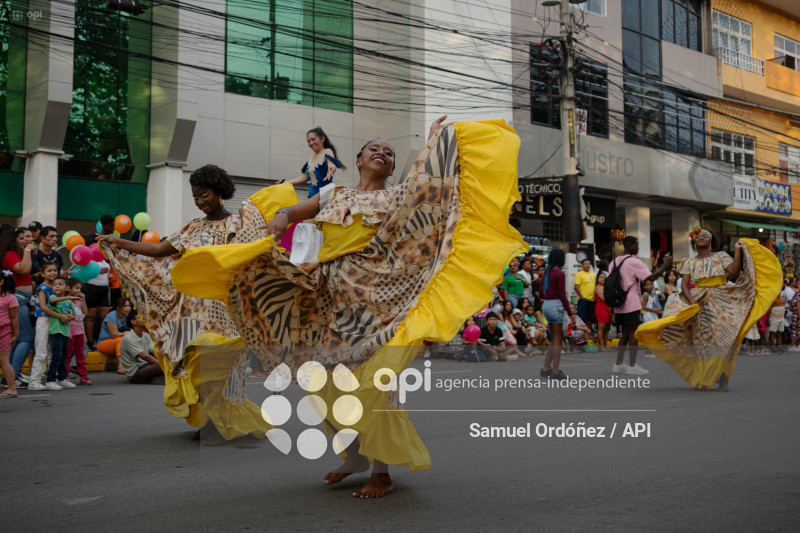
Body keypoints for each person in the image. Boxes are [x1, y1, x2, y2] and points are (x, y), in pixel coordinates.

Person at [170, 117, 528, 498]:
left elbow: (436, 189)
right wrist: (280, 217)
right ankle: (355, 456)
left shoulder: (399, 197)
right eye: (374, 148)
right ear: (358, 160)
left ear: (392, 167)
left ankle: (381, 472)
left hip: (379, 305)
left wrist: (437, 143)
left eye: (389, 153)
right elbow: (295, 211)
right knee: (321, 381)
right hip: (328, 303)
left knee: (376, 383)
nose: (382, 153)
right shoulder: (334, 194)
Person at [99, 164, 281, 445]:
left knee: (225, 367)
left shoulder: (237, 224)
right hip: (194, 310)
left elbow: (255, 254)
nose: (200, 202)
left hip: (228, 308)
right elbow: (160, 249)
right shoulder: (192, 227)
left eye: (204, 195)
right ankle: (210, 420)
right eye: (196, 197)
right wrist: (119, 242)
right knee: (198, 362)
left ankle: (221, 423)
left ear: (219, 191)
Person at [636, 230, 781, 391]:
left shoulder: (721, 256)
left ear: (710, 241)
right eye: (698, 237)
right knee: (701, 341)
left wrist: (738, 250)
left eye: (705, 236)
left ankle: (723, 379)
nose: (701, 238)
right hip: (699, 300)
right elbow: (684, 285)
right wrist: (693, 303)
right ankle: (707, 376)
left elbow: (733, 272)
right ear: (694, 242)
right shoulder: (689, 262)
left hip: (721, 299)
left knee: (723, 339)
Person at [609, 237, 671, 376]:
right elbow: (650, 278)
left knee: (624, 333)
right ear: (630, 246)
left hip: (618, 303)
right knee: (633, 333)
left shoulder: (614, 262)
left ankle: (618, 364)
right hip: (631, 302)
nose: (637, 249)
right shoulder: (634, 261)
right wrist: (664, 265)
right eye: (636, 246)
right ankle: (632, 365)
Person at [0, 227, 36, 382]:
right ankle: (12, 377)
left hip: (25, 299)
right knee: (27, 339)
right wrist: (27, 251)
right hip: (19, 299)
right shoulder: (9, 254)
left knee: (20, 339)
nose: (26, 241)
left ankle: (11, 376)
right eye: (21, 238)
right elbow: (22, 269)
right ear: (12, 240)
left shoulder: (17, 253)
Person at [28, 262, 64, 390]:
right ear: (42, 274)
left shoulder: (57, 288)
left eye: (54, 270)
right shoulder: (42, 288)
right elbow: (43, 307)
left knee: (52, 351)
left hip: (54, 320)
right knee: (41, 350)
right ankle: (34, 381)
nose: (53, 273)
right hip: (44, 320)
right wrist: (60, 316)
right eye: (49, 271)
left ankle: (51, 380)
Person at [282, 127, 346, 197]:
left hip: (324, 197)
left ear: (322, 139)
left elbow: (331, 165)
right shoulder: (311, 157)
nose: (311, 143)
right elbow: (305, 177)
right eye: (308, 141)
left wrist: (330, 170)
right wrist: (287, 182)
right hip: (311, 196)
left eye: (313, 139)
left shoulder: (327, 151)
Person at [540, 248, 573, 380]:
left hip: (546, 305)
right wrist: (571, 313)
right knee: (558, 339)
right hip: (555, 305)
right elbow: (562, 295)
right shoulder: (559, 273)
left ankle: (545, 368)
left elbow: (541, 293)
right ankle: (555, 370)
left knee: (554, 339)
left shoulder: (546, 273)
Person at [45, 276, 76, 390]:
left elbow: (73, 315)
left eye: (60, 284)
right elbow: (52, 301)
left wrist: (70, 315)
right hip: (56, 330)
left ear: (66, 287)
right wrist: (67, 297)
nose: (57, 286)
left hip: (65, 331)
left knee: (64, 356)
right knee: (56, 356)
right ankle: (50, 380)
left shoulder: (68, 301)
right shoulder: (53, 296)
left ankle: (62, 378)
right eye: (55, 284)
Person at [119, 311, 163, 384]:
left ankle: (157, 377)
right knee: (161, 366)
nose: (144, 319)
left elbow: (154, 352)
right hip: (135, 373)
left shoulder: (145, 335)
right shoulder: (128, 338)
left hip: (147, 366)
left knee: (166, 361)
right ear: (133, 321)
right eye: (140, 317)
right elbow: (145, 356)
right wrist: (162, 365)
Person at [65, 277, 91, 385]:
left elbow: (85, 313)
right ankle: (65, 376)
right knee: (68, 354)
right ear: (68, 288)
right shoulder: (65, 300)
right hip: (70, 331)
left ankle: (83, 376)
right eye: (76, 288)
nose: (79, 291)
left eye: (80, 288)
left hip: (80, 331)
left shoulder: (79, 301)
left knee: (80, 354)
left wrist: (83, 301)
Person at [96, 297, 131, 374]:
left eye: (129, 306)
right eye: (125, 306)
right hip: (103, 343)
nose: (128, 308)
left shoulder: (125, 316)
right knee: (121, 340)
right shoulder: (112, 315)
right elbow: (114, 334)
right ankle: (120, 367)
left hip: (116, 344)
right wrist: (125, 333)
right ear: (118, 308)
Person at [0, 269, 19, 398]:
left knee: (3, 361)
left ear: (1, 282)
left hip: (4, 332)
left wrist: (15, 334)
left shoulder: (11, 298)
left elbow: (14, 318)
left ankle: (12, 388)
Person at [640, 279, 662, 358]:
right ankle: (648, 351)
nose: (650, 286)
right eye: (648, 285)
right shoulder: (646, 295)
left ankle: (651, 350)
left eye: (651, 284)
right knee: (650, 334)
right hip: (648, 315)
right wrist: (652, 310)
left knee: (654, 334)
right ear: (644, 287)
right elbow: (642, 306)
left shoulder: (653, 294)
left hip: (653, 315)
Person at [574, 258, 597, 335]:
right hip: (583, 300)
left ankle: (589, 334)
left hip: (592, 300)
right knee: (582, 318)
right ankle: (582, 334)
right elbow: (576, 286)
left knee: (590, 318)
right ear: (582, 265)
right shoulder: (579, 274)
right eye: (586, 264)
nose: (587, 265)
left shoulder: (594, 274)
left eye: (589, 264)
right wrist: (582, 297)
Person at [594, 272, 611, 352]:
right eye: (601, 277)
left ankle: (605, 345)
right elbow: (604, 298)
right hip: (601, 308)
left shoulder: (607, 287)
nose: (603, 279)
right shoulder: (597, 287)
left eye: (604, 277)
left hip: (608, 307)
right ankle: (601, 346)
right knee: (601, 327)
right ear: (597, 279)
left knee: (607, 328)